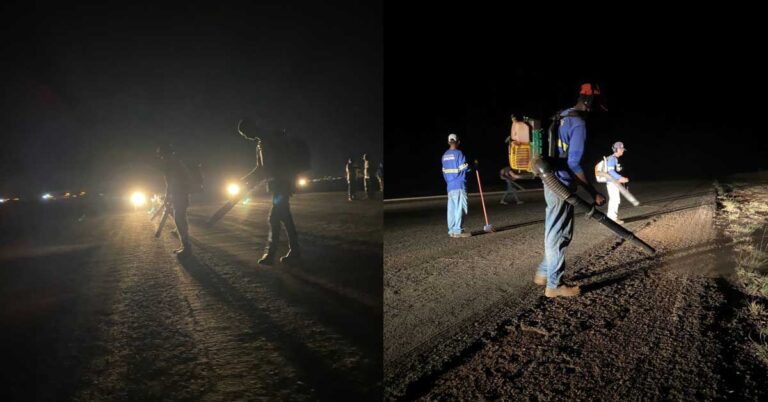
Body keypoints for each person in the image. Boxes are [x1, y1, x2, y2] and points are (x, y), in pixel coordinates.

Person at [535, 86, 606, 298]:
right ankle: (554, 285)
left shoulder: (561, 116)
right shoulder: (579, 123)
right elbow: (574, 163)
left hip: (549, 180)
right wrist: (593, 192)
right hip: (562, 183)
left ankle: (544, 272)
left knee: (555, 229)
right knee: (560, 234)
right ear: (589, 102)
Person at [238, 122, 302, 265]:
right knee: (285, 217)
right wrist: (245, 179)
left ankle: (271, 254)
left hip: (282, 183)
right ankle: (294, 251)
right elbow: (260, 168)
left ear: (250, 128)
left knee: (274, 218)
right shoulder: (260, 144)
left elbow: (278, 163)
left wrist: (288, 179)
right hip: (277, 185)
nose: (246, 137)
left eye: (245, 133)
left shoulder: (272, 139)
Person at [157, 143, 192, 257]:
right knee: (180, 218)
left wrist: (169, 196)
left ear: (166, 153)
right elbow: (170, 183)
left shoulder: (172, 163)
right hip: (179, 194)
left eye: (162, 154)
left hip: (179, 194)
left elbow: (172, 183)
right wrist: (168, 196)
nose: (161, 157)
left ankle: (186, 247)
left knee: (179, 219)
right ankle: (185, 245)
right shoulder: (173, 162)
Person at [442, 133, 471, 238]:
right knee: (460, 208)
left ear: (448, 142)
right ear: (458, 142)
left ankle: (452, 230)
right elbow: (464, 167)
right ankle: (458, 230)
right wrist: (472, 166)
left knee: (451, 209)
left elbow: (444, 172)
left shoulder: (444, 156)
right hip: (459, 184)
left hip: (450, 186)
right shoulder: (459, 153)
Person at [604, 141, 629, 224]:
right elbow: (610, 171)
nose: (623, 151)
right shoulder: (612, 158)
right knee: (615, 199)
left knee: (614, 199)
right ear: (616, 149)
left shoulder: (614, 159)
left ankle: (610, 218)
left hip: (613, 182)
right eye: (621, 149)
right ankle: (612, 219)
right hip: (612, 182)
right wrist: (621, 178)